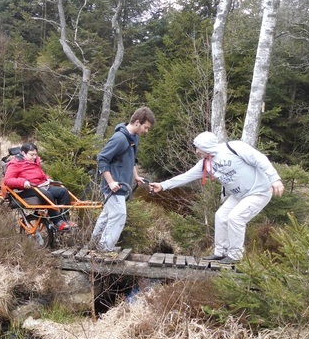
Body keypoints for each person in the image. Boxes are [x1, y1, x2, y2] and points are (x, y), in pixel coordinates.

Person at [149, 131, 285, 264]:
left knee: (235, 218)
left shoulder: (235, 147)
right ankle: (220, 252)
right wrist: (162, 185)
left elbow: (259, 159)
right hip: (239, 195)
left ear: (206, 147)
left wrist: (275, 179)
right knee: (221, 216)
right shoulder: (205, 163)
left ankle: (235, 255)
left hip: (259, 191)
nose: (196, 151)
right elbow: (186, 177)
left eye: (198, 148)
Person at [90, 106, 156, 253]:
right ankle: (104, 249)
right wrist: (111, 181)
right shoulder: (119, 138)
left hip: (122, 185)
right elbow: (102, 159)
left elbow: (131, 160)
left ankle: (93, 243)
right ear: (137, 122)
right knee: (120, 214)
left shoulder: (134, 138)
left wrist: (136, 176)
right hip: (114, 186)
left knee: (107, 215)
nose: (146, 131)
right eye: (146, 127)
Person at [3, 143, 76, 232]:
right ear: (23, 153)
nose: (34, 157)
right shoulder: (15, 164)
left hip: (40, 186)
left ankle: (65, 219)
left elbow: (41, 175)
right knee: (46, 194)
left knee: (63, 191)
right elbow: (7, 180)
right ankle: (57, 221)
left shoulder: (35, 162)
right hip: (25, 190)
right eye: (31, 154)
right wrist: (23, 182)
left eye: (35, 154)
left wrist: (47, 179)